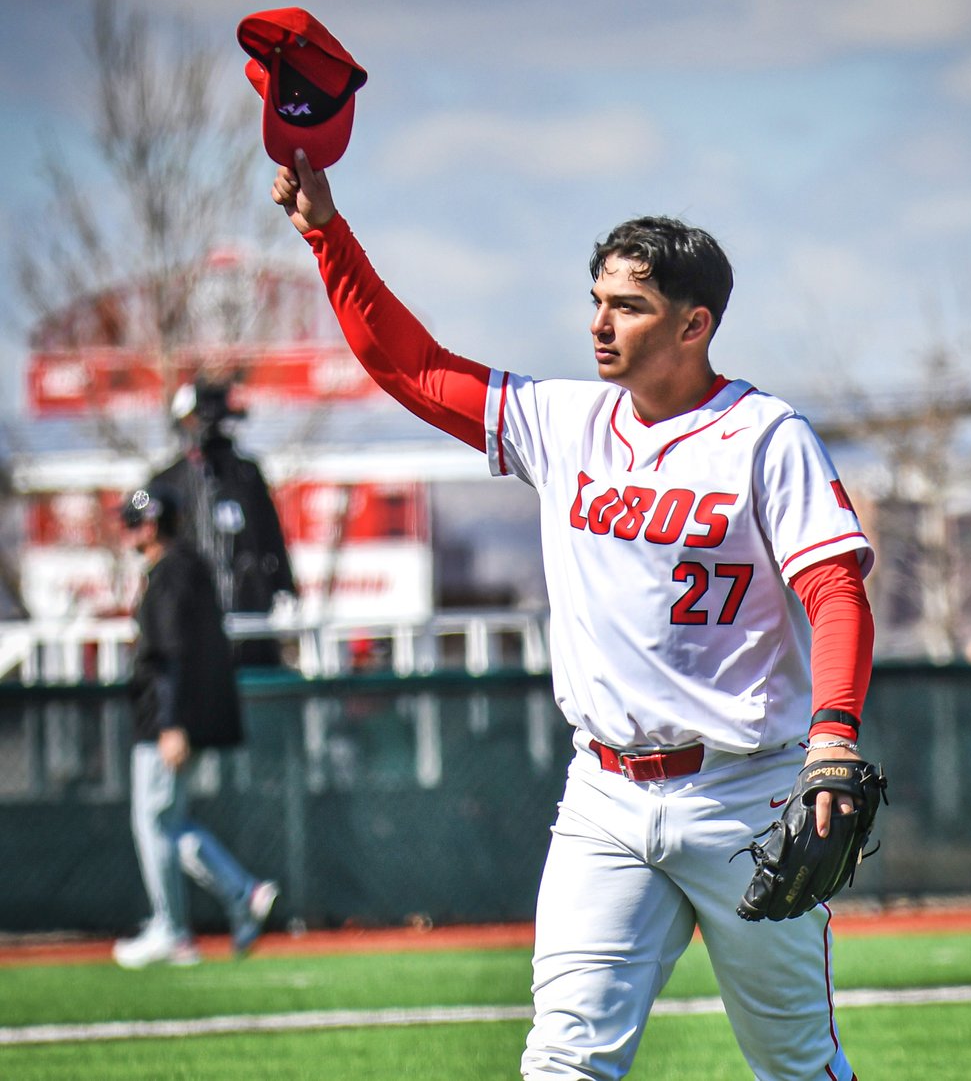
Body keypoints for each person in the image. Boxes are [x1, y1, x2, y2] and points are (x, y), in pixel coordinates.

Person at [272, 148, 876, 1080]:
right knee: (563, 1060)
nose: (599, 323)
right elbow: (412, 367)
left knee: (795, 1064)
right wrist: (326, 233)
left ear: (694, 323)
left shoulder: (765, 436)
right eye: (596, 299)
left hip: (744, 794)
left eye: (628, 305)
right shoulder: (566, 421)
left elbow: (836, 593)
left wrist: (832, 736)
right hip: (605, 794)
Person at [113, 484, 279, 969]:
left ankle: (173, 928)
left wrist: (170, 723)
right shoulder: (183, 568)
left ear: (150, 525)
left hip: (166, 722)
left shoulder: (172, 573)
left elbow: (171, 653)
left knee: (154, 822)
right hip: (176, 718)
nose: (128, 532)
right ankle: (241, 893)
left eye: (133, 522)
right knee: (169, 822)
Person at [151, 377, 296, 665]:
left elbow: (270, 533)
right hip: (192, 618)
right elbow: (141, 508)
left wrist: (284, 584)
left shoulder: (247, 475)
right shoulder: (167, 480)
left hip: (249, 611)